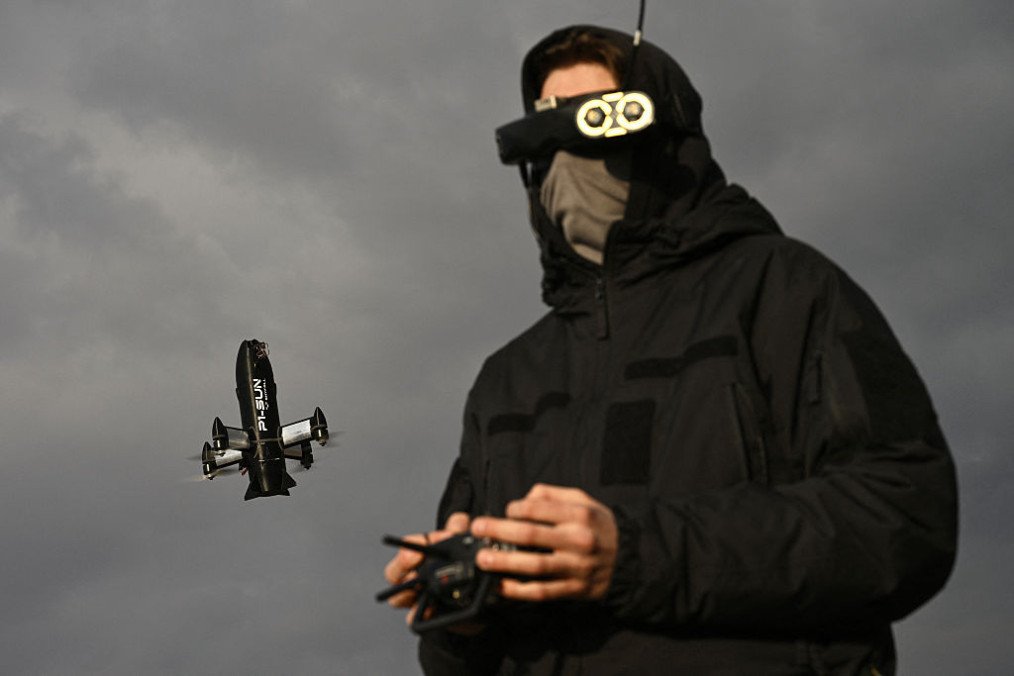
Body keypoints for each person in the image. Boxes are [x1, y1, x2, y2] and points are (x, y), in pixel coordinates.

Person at [383, 24, 957, 675]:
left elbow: (902, 519)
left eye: (592, 122)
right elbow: (452, 662)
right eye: (545, 134)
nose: (567, 158)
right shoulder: (507, 380)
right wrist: (460, 611)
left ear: (662, 137)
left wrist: (629, 555)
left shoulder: (783, 289)